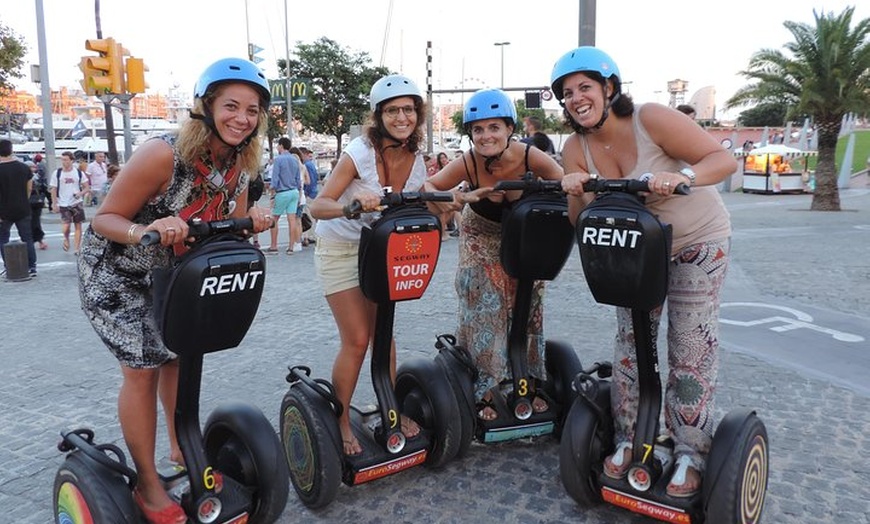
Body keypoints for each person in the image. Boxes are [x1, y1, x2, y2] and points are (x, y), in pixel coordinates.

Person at [77, 57, 274, 523]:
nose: (241, 118)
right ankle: (147, 482)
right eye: (231, 106)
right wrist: (149, 228)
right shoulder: (162, 154)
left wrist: (253, 225)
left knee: (179, 355)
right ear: (206, 106)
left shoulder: (241, 166)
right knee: (144, 367)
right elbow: (104, 219)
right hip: (117, 273)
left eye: (252, 111)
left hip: (176, 275)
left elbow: (229, 230)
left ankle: (181, 446)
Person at [552, 46, 737, 498]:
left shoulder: (651, 118)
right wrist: (574, 188)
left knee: (689, 344)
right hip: (636, 249)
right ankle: (630, 437)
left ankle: (691, 450)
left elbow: (722, 160)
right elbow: (581, 219)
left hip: (697, 240)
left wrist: (683, 177)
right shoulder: (575, 146)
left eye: (585, 87)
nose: (576, 98)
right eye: (567, 93)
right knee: (631, 345)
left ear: (609, 88)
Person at [423, 88, 563, 423]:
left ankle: (526, 380)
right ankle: (483, 389)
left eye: (494, 128)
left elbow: (564, 184)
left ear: (508, 129)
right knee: (484, 305)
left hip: (524, 234)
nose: (486, 136)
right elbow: (429, 188)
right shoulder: (469, 161)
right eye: (478, 130)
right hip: (481, 234)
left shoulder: (531, 157)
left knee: (529, 305)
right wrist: (452, 198)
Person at [309, 73, 428, 456]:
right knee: (357, 339)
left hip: (380, 251)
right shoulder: (359, 153)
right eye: (392, 110)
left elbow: (421, 199)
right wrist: (352, 205)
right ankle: (340, 420)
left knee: (385, 338)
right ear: (379, 116)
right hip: (341, 250)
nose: (401, 117)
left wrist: (452, 201)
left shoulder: (417, 158)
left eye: (408, 109)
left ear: (417, 114)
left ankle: (389, 408)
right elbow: (317, 205)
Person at [0, 139, 37, 276]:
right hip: (22, 207)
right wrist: (23, 200)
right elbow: (29, 187)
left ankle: (10, 266)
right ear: (11, 150)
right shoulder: (23, 167)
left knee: (3, 239)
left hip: (3, 211)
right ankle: (32, 266)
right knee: (27, 238)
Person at [265, 136, 301, 254]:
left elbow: (275, 179)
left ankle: (274, 246)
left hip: (282, 192)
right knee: (292, 220)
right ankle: (291, 247)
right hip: (294, 191)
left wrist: (271, 191)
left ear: (281, 145)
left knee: (274, 219)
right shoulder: (295, 159)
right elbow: (298, 179)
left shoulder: (279, 160)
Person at [49, 151, 90, 254]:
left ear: (72, 160)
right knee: (66, 226)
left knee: (78, 225)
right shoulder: (57, 173)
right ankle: (66, 238)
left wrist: (80, 194)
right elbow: (53, 189)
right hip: (63, 202)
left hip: (76, 202)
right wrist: (54, 203)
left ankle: (77, 248)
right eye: (62, 160)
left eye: (66, 160)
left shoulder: (78, 173)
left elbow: (87, 187)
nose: (64, 162)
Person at [26, 160, 48, 250]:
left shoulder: (36, 177)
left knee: (34, 221)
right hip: (34, 201)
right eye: (32, 167)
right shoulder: (34, 177)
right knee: (33, 222)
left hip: (34, 202)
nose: (34, 168)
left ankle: (36, 241)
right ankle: (37, 241)